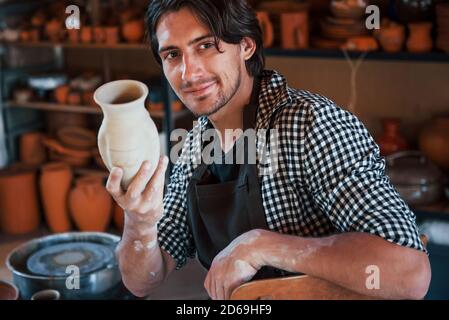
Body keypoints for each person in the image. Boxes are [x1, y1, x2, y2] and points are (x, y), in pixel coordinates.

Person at [106, 0, 431, 300]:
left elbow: (409, 272)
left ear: (245, 45)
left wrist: (263, 245)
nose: (188, 73)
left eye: (205, 46)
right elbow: (142, 280)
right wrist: (140, 221)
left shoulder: (312, 124)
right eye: (172, 55)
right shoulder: (194, 146)